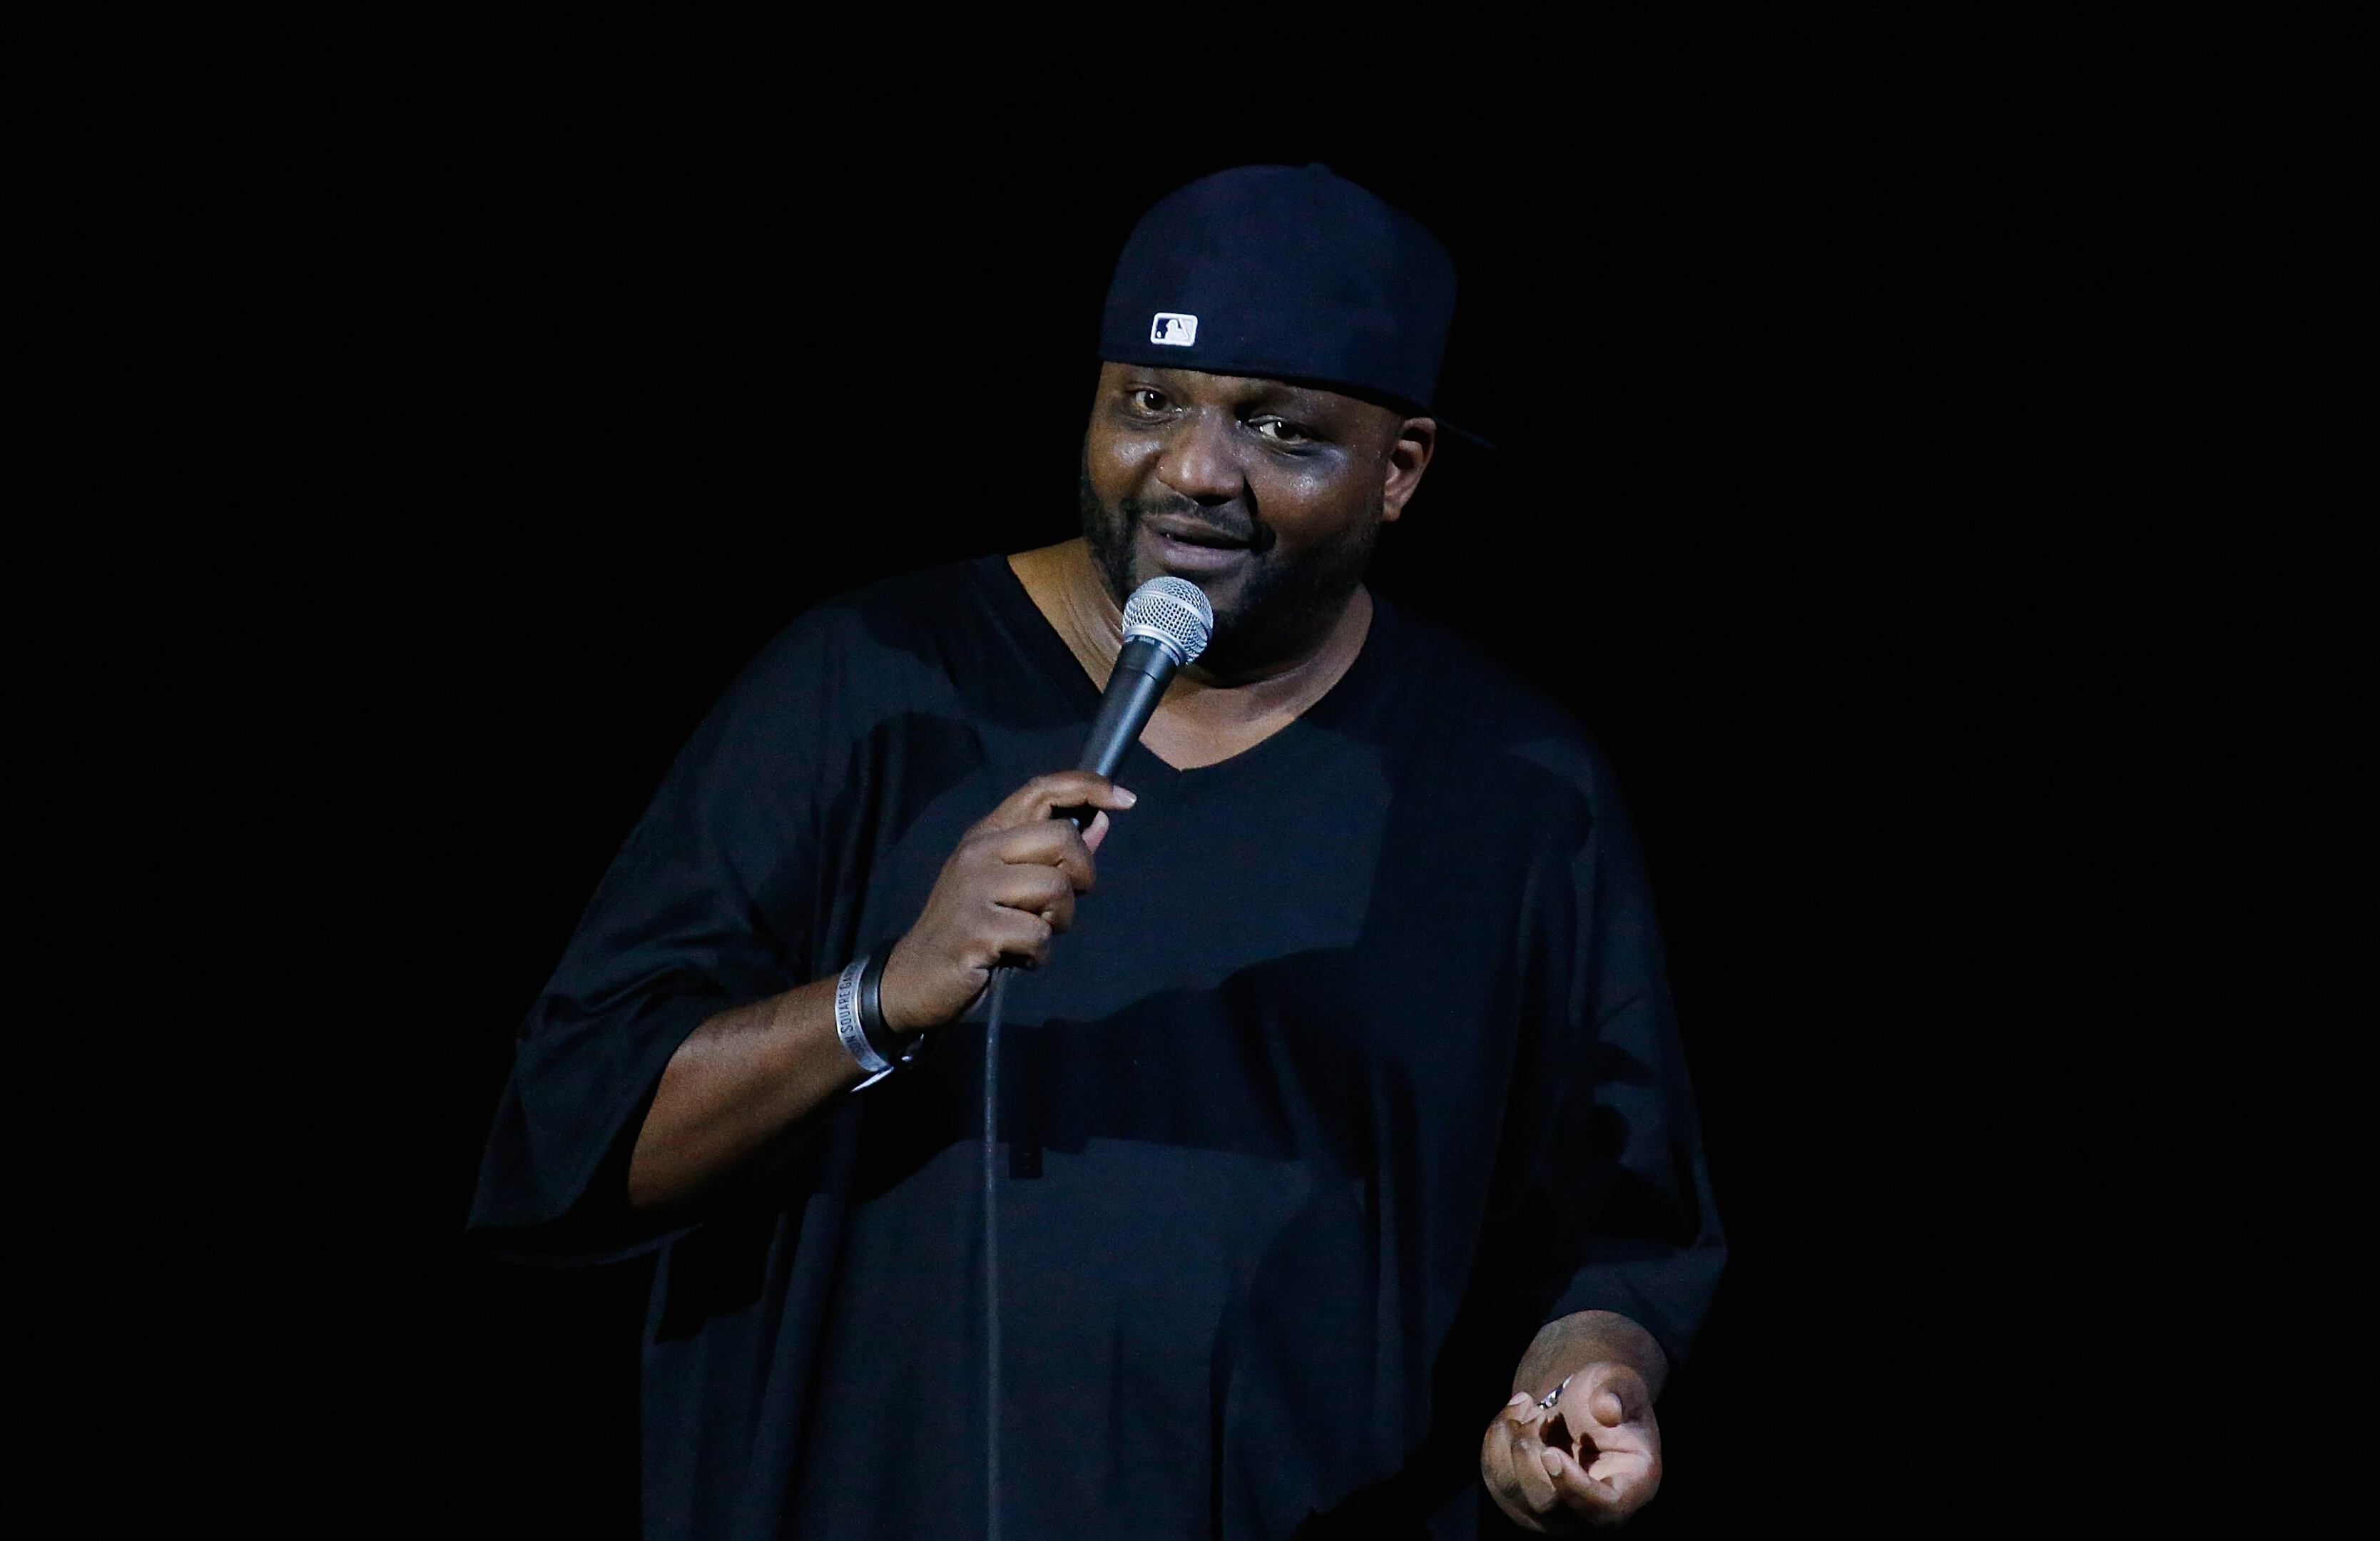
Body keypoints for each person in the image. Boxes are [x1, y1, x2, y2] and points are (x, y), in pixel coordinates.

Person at [469, 163, 1724, 1539]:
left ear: (1400, 468)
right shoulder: (867, 691)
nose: (1194, 471)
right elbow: (575, 1139)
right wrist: (879, 994)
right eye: (1150, 403)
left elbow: (1615, 1232)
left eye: (1279, 431)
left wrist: (1583, 1388)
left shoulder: (1518, 792)